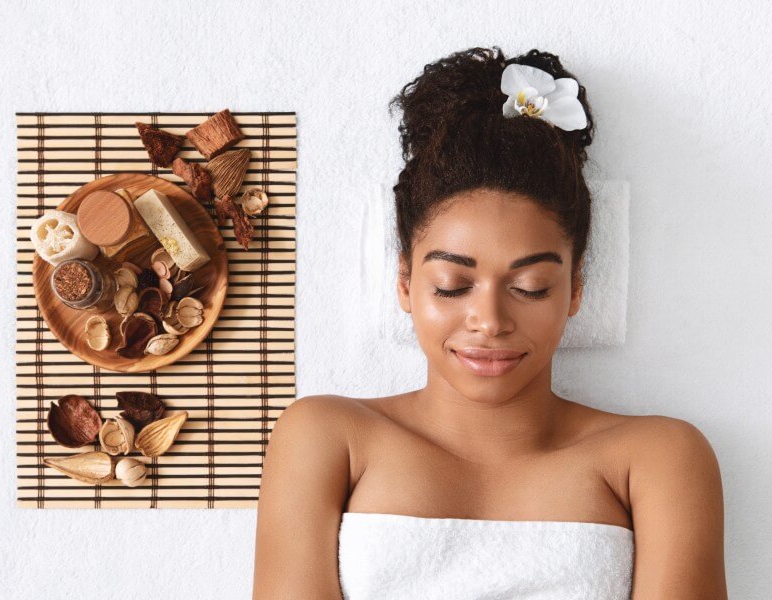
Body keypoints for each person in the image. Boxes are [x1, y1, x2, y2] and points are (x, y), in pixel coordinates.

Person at [252, 46, 726, 599]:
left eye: (530, 288)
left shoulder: (658, 459)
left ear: (575, 291)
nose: (490, 321)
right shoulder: (327, 439)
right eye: (452, 286)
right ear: (405, 283)